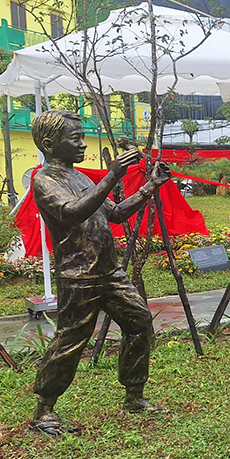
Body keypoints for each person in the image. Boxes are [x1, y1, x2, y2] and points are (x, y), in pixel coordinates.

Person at [29, 110, 172, 435]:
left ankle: (134, 396)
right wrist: (112, 176)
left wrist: (150, 186)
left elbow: (117, 214)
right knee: (71, 340)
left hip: (109, 273)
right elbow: (72, 212)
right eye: (75, 139)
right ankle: (44, 411)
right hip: (78, 277)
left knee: (138, 323)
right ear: (51, 144)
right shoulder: (44, 179)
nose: (82, 144)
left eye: (83, 138)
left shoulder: (80, 178)